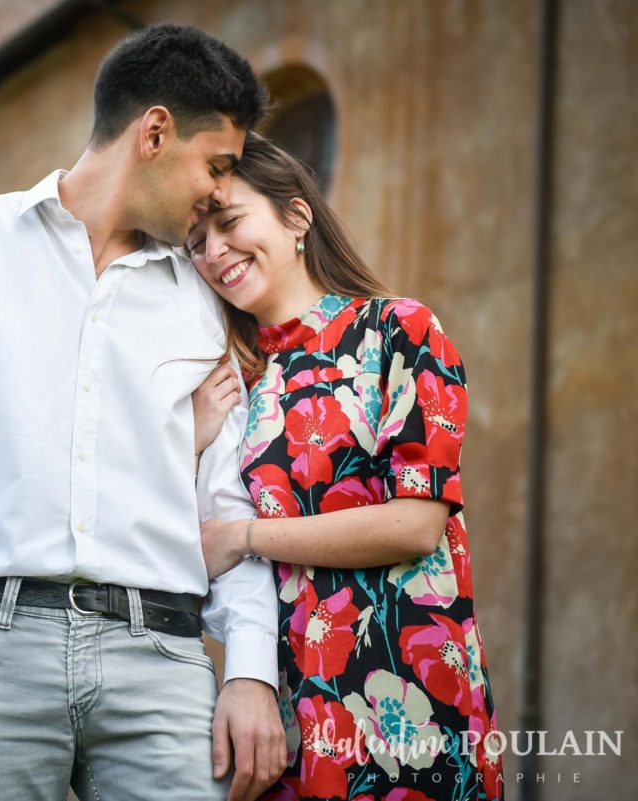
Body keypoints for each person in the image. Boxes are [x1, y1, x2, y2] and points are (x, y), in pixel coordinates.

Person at [0, 24, 287, 801]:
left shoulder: (207, 296)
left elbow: (227, 497)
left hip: (163, 659)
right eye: (215, 165)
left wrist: (249, 671)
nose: (218, 193)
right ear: (153, 132)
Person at [187, 132, 505, 801]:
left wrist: (244, 536)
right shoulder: (233, 382)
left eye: (230, 222)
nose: (214, 252)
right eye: (196, 241)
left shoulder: (401, 332)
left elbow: (416, 523)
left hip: (408, 693)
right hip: (289, 710)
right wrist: (188, 440)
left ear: (296, 217)